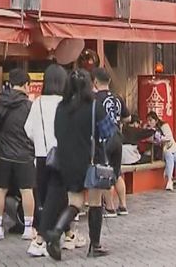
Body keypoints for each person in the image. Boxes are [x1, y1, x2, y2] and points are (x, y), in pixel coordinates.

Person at [41, 68, 109, 261]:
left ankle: (56, 231)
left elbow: (56, 133)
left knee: (75, 203)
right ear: (89, 85)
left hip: (66, 161)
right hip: (91, 160)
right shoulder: (95, 107)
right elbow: (108, 132)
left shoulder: (61, 108)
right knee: (95, 202)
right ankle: (94, 245)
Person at [0, 68, 36, 241]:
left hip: (2, 153)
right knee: (26, 190)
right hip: (24, 154)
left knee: (0, 190)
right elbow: (33, 132)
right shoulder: (29, 106)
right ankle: (28, 229)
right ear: (26, 85)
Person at [24, 64, 65, 258]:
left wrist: (41, 140)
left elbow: (28, 130)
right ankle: (44, 238)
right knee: (57, 199)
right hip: (61, 157)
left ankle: (53, 237)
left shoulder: (37, 103)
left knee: (44, 197)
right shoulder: (65, 102)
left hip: (41, 156)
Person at [91, 68, 130, 217]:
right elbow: (128, 118)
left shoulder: (95, 99)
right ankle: (123, 205)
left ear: (95, 81)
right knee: (117, 172)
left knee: (105, 172)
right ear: (109, 81)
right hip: (118, 138)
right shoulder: (117, 97)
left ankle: (110, 207)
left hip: (103, 139)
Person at [147, 111, 176, 191]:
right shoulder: (150, 130)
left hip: (173, 146)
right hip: (164, 150)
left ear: (156, 120)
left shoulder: (165, 126)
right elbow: (152, 140)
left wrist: (159, 139)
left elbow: (167, 138)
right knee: (169, 158)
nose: (149, 122)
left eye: (151, 120)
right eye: (148, 120)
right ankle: (169, 180)